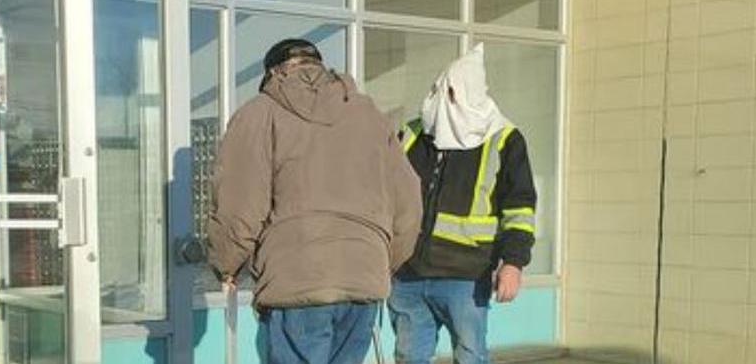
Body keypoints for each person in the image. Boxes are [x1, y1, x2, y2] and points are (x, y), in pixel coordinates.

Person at [207, 39, 422, 364]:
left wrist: (227, 263)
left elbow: (239, 202)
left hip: (297, 279)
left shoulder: (260, 113)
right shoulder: (369, 114)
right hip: (362, 277)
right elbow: (408, 201)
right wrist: (383, 261)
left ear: (272, 73)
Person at [390, 43, 538, 364]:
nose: (440, 98)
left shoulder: (503, 138)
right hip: (407, 272)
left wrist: (513, 263)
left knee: (470, 357)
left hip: (466, 276)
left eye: (450, 92)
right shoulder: (414, 133)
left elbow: (520, 208)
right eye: (439, 89)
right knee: (408, 358)